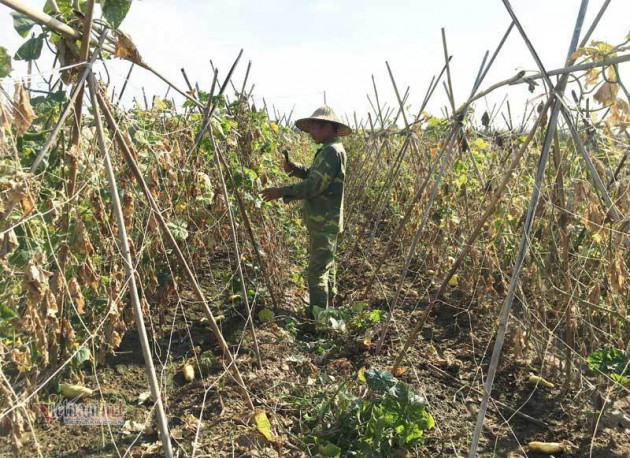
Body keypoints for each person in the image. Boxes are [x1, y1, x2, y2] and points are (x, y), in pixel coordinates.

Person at [261, 105, 351, 315]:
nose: (311, 133)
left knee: (317, 271)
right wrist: (296, 169)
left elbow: (314, 186)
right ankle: (328, 309)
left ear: (328, 126)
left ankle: (318, 317)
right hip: (327, 219)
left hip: (324, 220)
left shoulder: (331, 152)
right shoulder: (332, 149)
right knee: (327, 265)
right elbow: (316, 176)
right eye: (310, 128)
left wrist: (280, 192)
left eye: (315, 128)